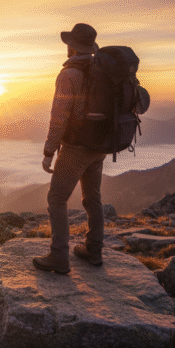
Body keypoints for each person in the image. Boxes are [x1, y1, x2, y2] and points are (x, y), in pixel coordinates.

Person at [33, 23, 107, 274]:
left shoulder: (69, 75)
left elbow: (59, 118)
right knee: (92, 198)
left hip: (76, 147)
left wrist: (48, 152)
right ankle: (94, 250)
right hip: (101, 145)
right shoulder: (103, 71)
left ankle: (59, 257)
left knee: (56, 198)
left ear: (72, 47)